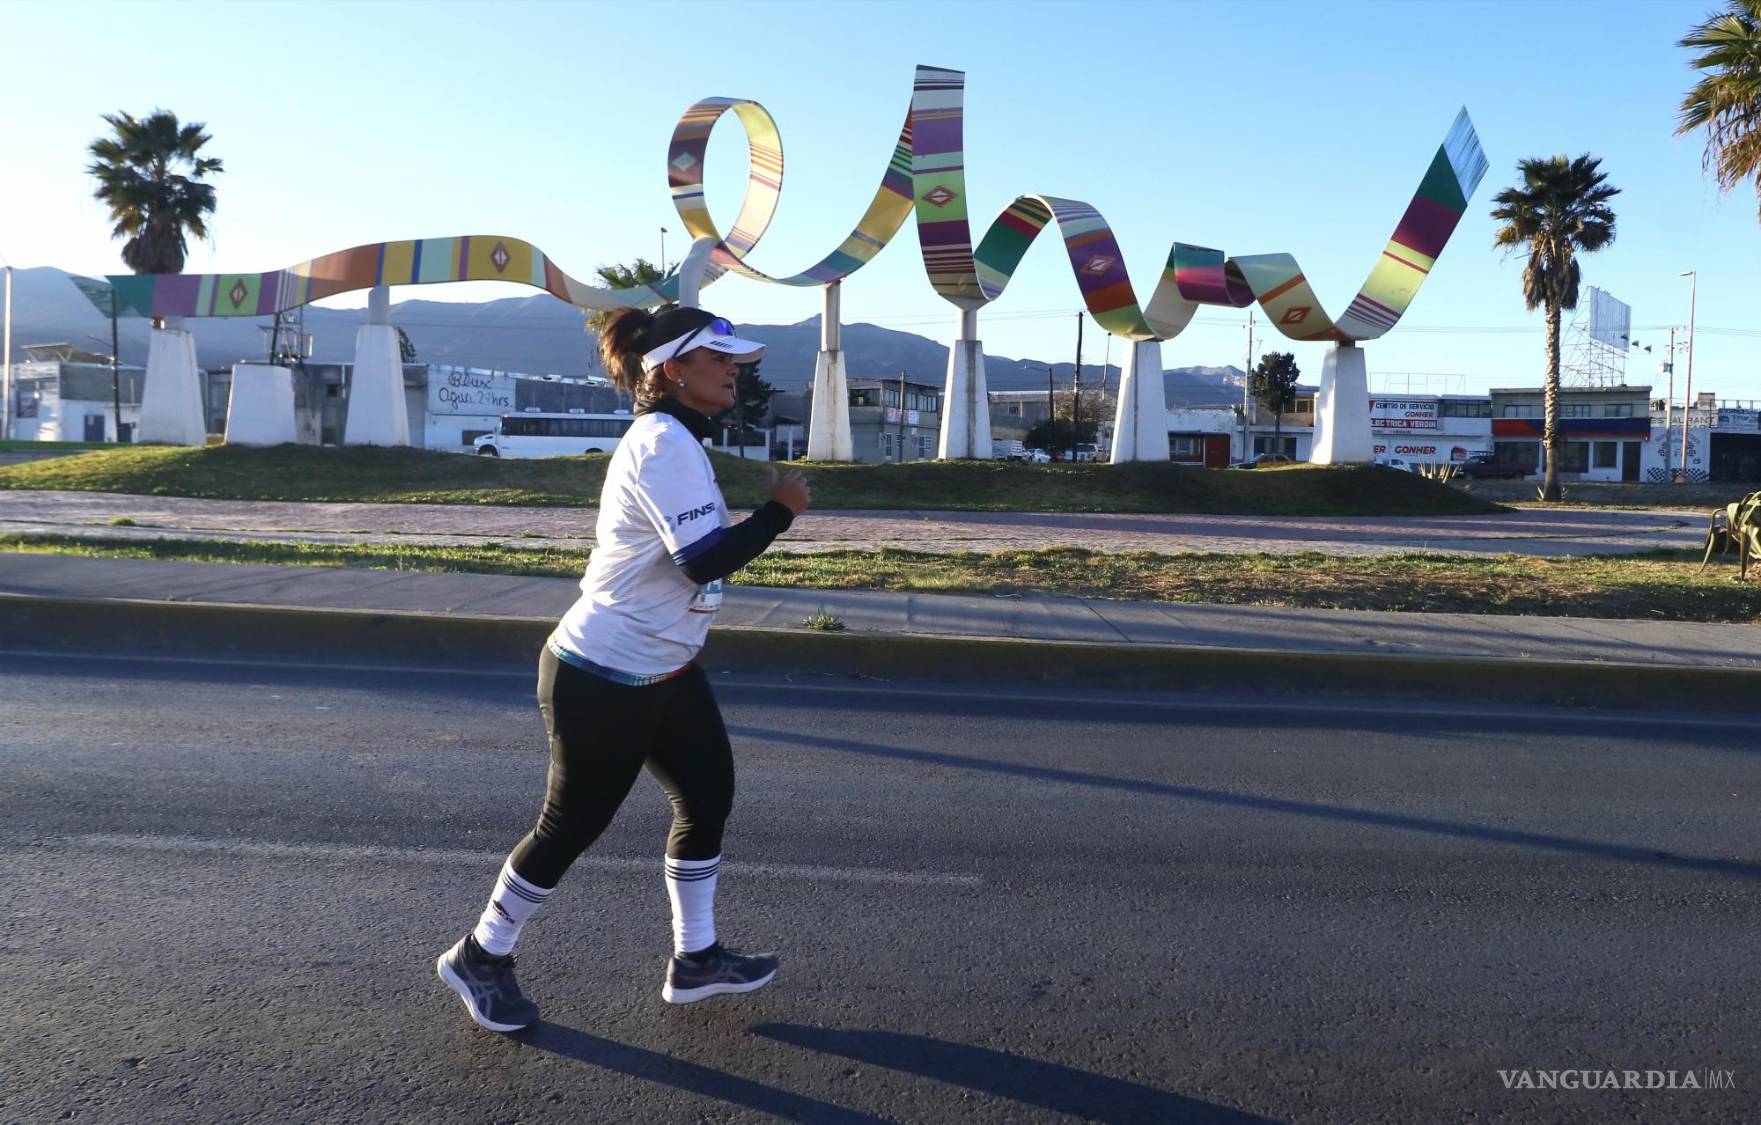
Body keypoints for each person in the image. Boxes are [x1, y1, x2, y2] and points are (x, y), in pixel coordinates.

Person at [437, 304, 811, 1033]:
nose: (733, 369)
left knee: (707, 799)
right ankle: (482, 954)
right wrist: (779, 511)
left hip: (665, 668)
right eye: (717, 358)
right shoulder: (663, 443)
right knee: (570, 825)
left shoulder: (676, 439)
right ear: (671, 370)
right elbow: (701, 559)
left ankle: (696, 960)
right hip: (602, 671)